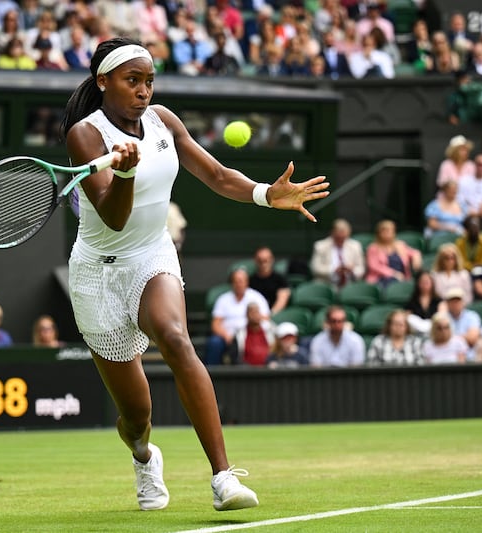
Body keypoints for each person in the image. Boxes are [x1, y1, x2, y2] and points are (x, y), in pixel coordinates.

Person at [59, 36, 328, 511]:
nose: (144, 91)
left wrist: (268, 194)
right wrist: (123, 174)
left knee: (176, 338)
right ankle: (144, 457)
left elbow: (219, 176)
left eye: (149, 81)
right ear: (103, 82)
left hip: (151, 256)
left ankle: (223, 477)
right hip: (97, 277)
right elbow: (112, 216)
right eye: (132, 81)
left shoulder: (164, 121)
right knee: (135, 416)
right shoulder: (85, 135)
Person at [205, 268, 271, 366]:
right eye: (236, 281)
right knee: (214, 342)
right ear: (232, 283)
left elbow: (265, 319)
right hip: (229, 337)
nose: (239, 284)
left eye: (241, 281)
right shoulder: (223, 299)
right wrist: (226, 335)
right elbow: (216, 324)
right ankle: (211, 375)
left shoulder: (257, 297)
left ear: (247, 282)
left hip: (249, 335)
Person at [365, 219, 422, 289]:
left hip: (402, 278)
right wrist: (394, 274)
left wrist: (416, 257)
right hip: (381, 278)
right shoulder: (373, 248)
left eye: (389, 231)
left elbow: (414, 252)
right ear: (379, 233)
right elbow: (374, 266)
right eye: (384, 231)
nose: (387, 233)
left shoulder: (400, 245)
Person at [309, 217, 365, 288]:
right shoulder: (320, 246)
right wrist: (334, 270)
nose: (341, 239)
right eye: (339, 237)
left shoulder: (355, 246)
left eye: (344, 237)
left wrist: (352, 270)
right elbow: (315, 268)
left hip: (350, 284)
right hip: (326, 283)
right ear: (333, 233)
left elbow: (361, 269)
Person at [229, 302, 274, 366]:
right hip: (247, 372)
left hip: (268, 370)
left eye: (257, 312)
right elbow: (235, 358)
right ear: (247, 315)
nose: (255, 315)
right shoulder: (239, 335)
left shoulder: (270, 331)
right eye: (252, 313)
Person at [249, 246, 290, 316]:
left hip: (274, 316)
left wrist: (270, 315)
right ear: (255, 261)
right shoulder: (250, 280)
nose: (263, 264)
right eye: (260, 261)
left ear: (272, 260)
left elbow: (282, 300)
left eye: (266, 260)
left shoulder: (280, 279)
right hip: (254, 317)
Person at [444, 287, 482, 361]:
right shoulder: (443, 317)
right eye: (452, 301)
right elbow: (439, 339)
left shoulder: (472, 316)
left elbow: (472, 339)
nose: (455, 304)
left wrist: (450, 338)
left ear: (463, 302)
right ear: (447, 304)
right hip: (448, 359)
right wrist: (465, 337)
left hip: (470, 358)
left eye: (457, 301)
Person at [406, 270, 445, 335]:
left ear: (432, 283)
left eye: (427, 282)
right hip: (417, 331)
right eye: (422, 282)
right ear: (418, 283)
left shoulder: (438, 300)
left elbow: (442, 316)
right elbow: (407, 315)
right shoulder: (412, 301)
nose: (425, 284)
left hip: (434, 330)